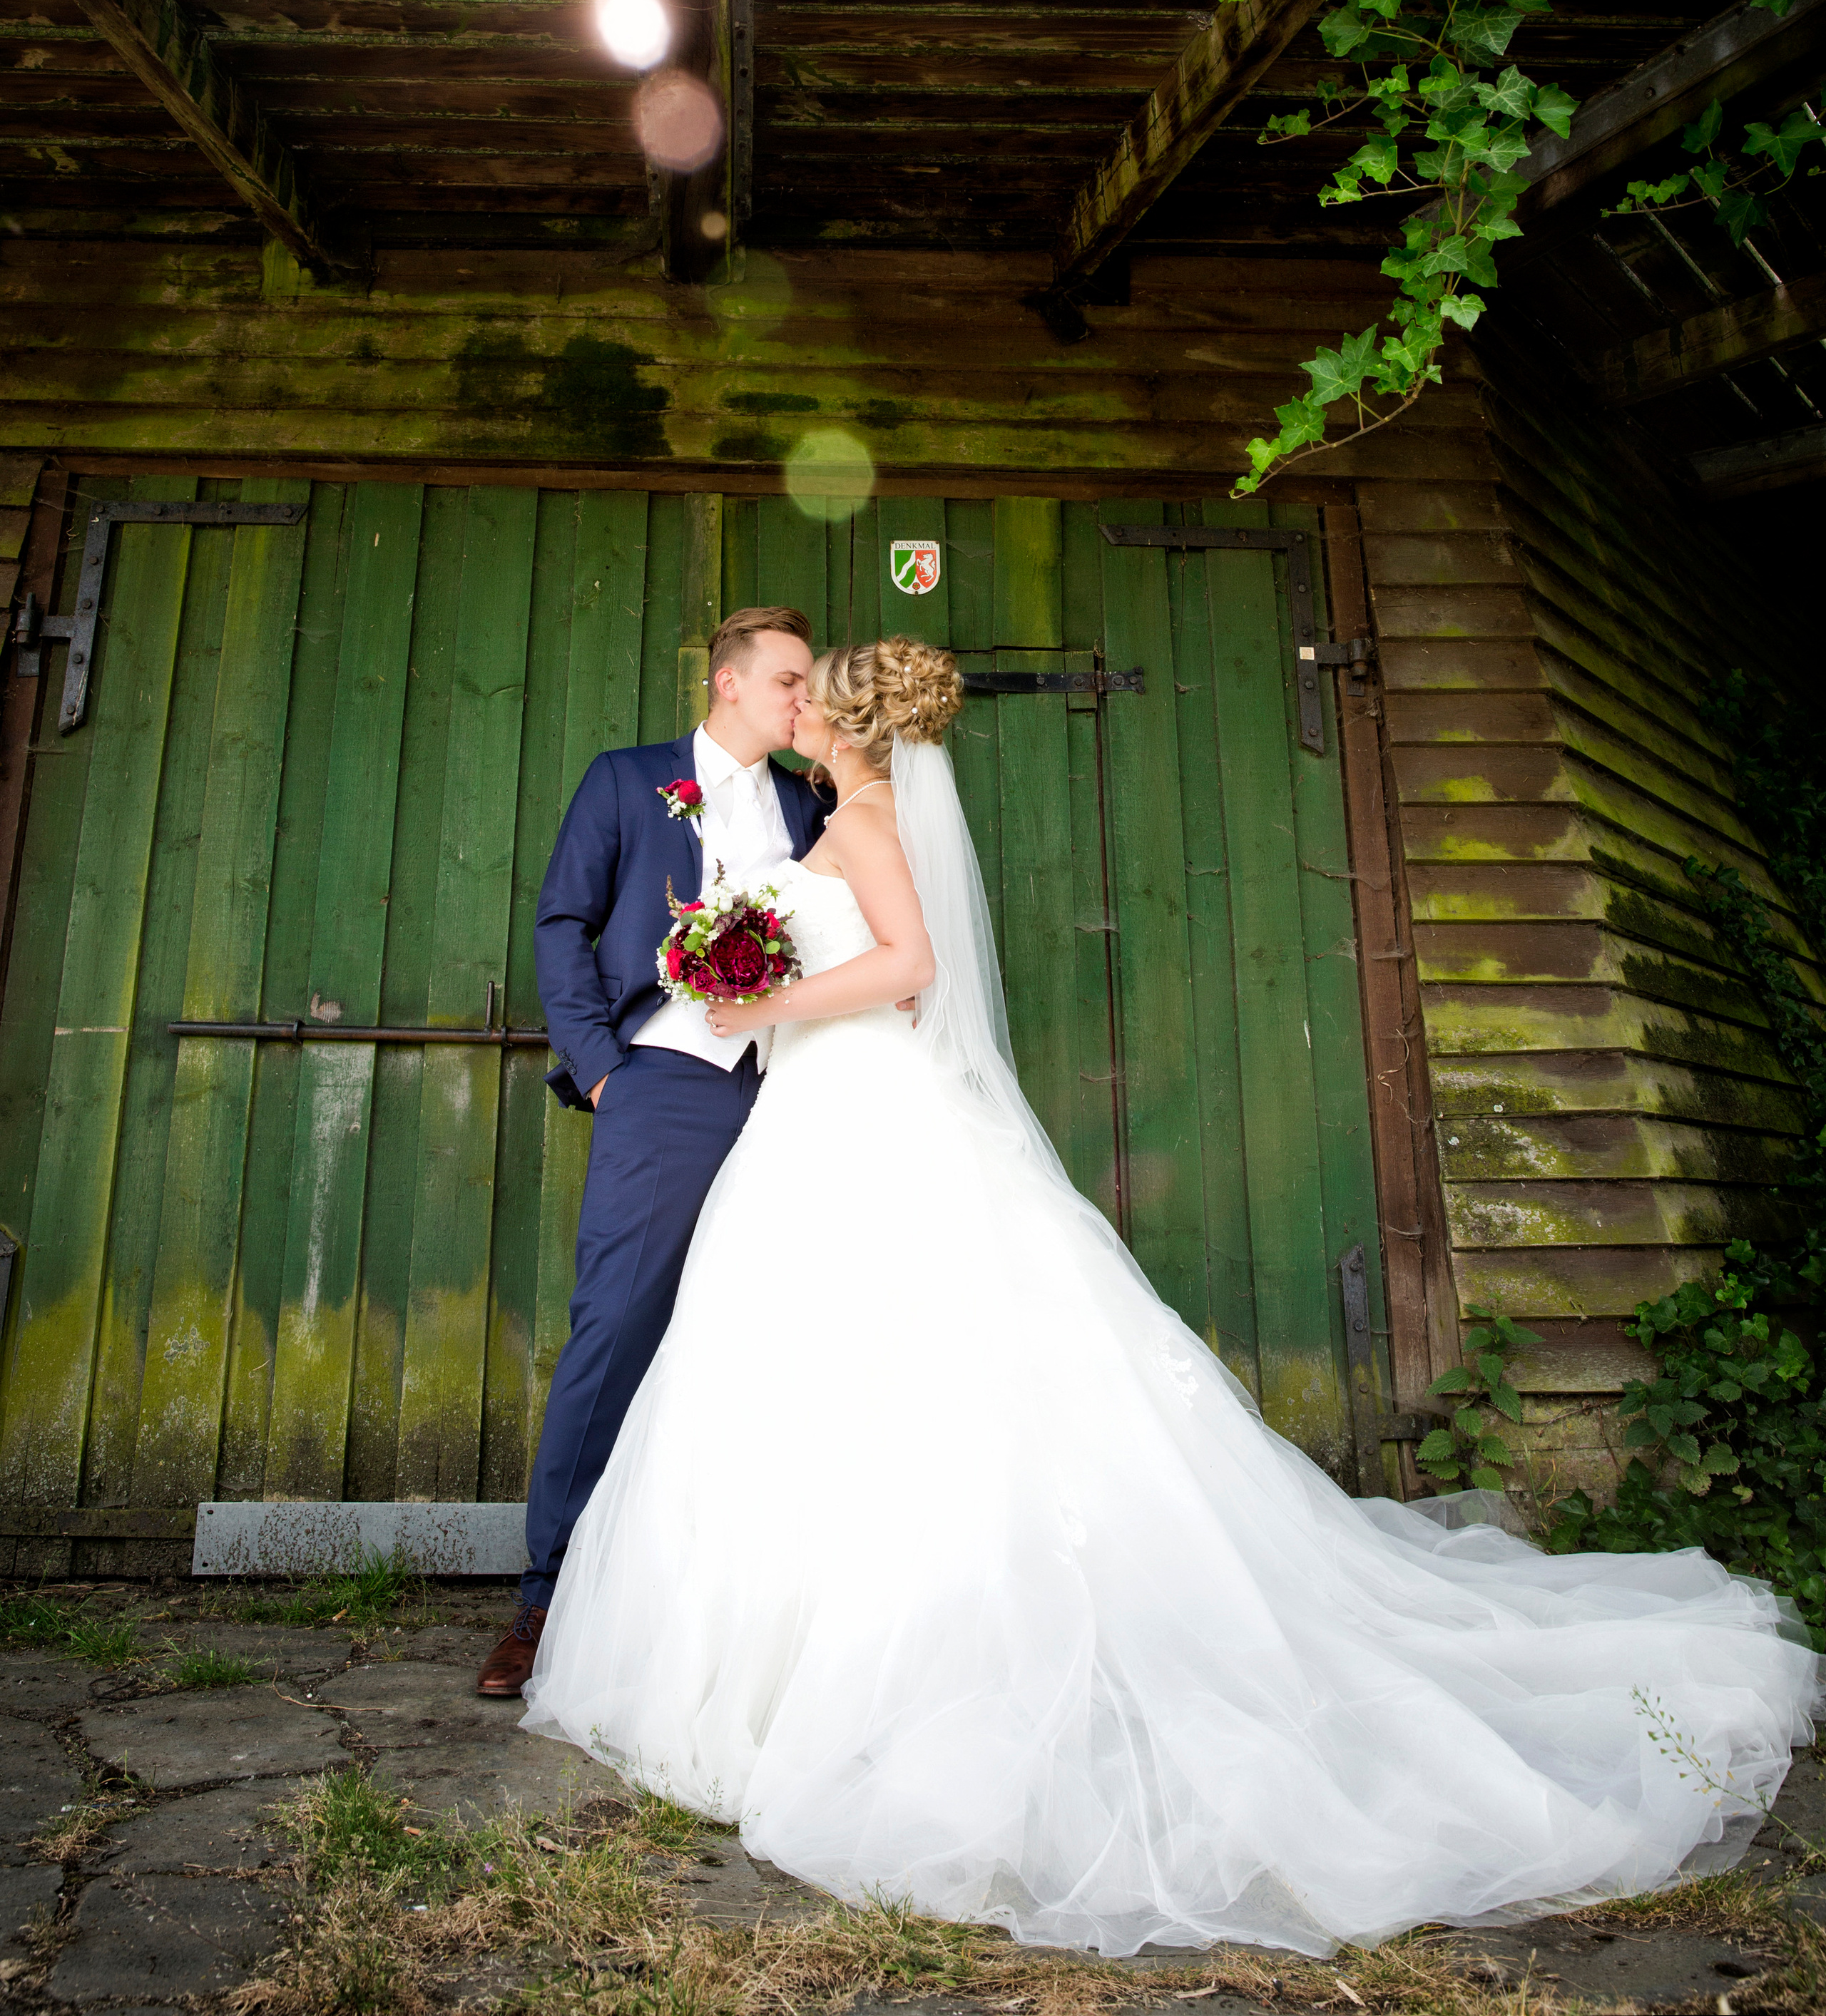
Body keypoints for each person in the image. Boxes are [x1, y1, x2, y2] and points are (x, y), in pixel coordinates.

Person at [521, 636, 1820, 1955]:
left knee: (900, 1361)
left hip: (853, 1106)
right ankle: (745, 1632)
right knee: (791, 1361)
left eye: (815, 691)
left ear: (841, 722)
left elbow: (911, 965)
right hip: (805, 1106)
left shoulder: (853, 812)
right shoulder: (817, 805)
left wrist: (771, 993)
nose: (796, 705)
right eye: (781, 682)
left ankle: (873, 1652)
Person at [474, 606, 831, 1699]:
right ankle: (548, 1597)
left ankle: (739, 1612)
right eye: (788, 681)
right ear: (727, 684)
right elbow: (562, 921)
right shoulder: (629, 781)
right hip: (665, 1084)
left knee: (776, 1338)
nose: (804, 700)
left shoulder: (813, 803)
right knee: (620, 1322)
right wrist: (599, 1066)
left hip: (801, 1091)